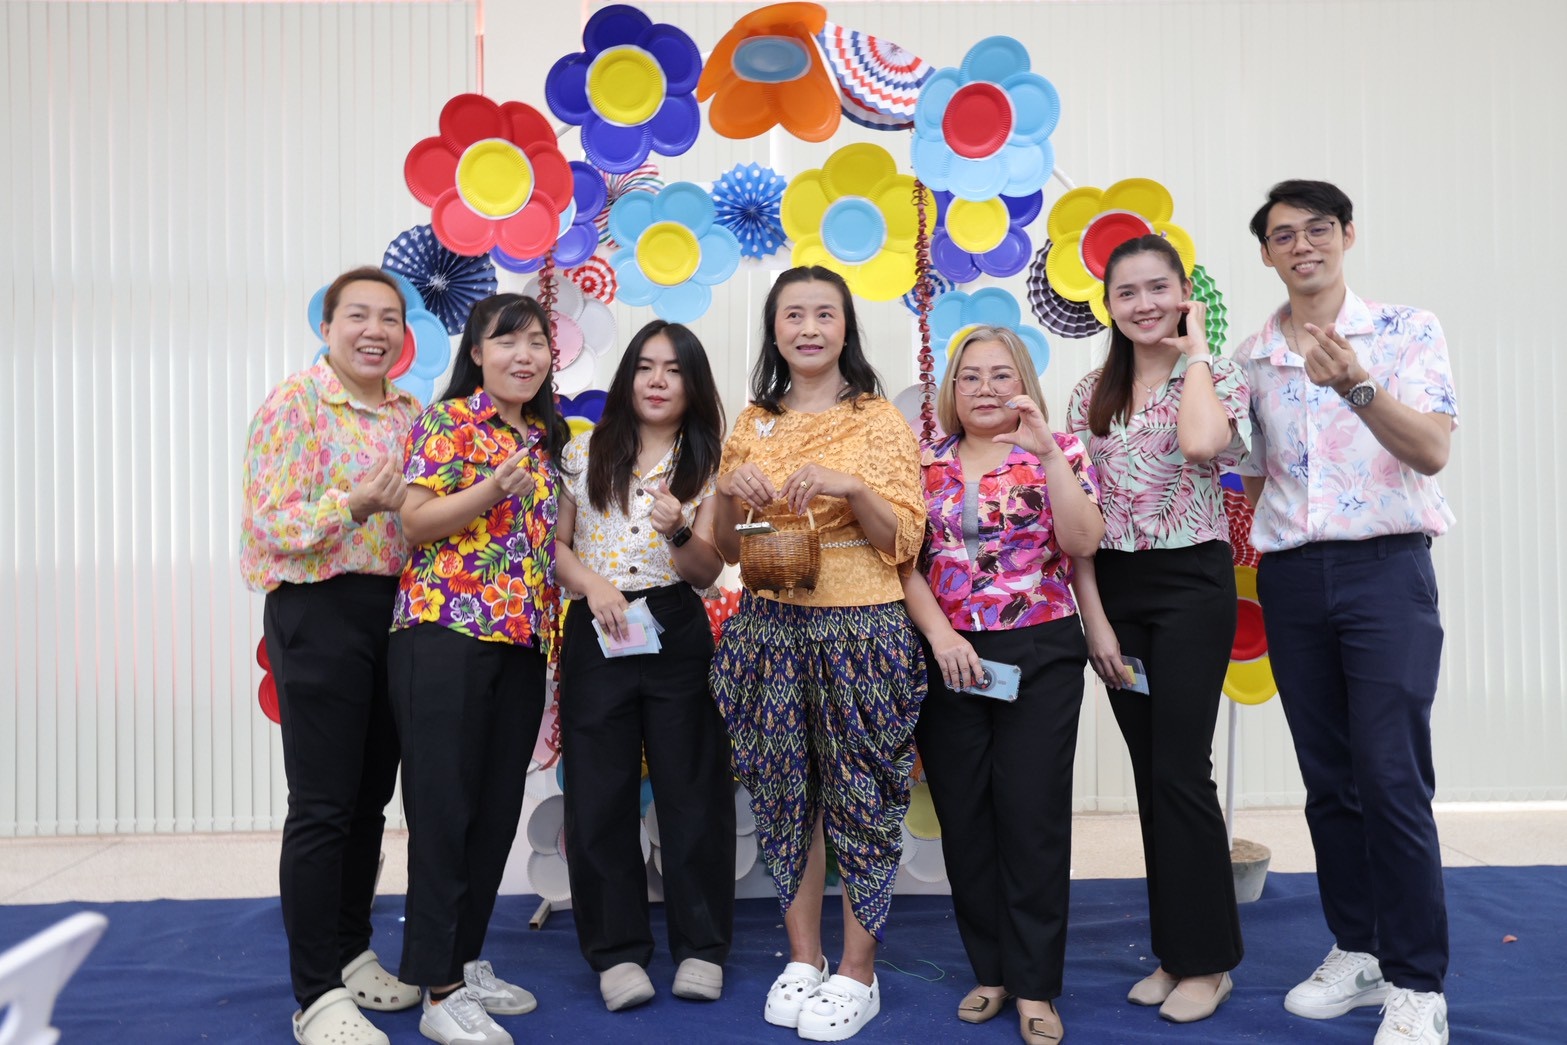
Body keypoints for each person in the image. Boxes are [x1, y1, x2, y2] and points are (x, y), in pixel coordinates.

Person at [1235, 180, 1457, 1045]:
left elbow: (1430, 451)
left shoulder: (1405, 330)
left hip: (1385, 571)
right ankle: (1358, 947)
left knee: (1390, 776)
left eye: (1317, 228)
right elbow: (1254, 476)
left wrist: (1357, 386)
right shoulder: (1253, 357)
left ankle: (1417, 982)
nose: (1302, 245)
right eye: (1283, 235)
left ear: (1347, 235)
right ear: (1265, 254)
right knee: (1328, 779)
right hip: (1291, 578)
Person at [708, 265, 926, 1042]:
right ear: (773, 329)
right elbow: (726, 549)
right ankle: (804, 957)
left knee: (860, 799)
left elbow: (904, 540)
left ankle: (858, 971)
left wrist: (851, 486)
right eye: (792, 314)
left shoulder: (877, 420)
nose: (807, 328)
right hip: (770, 626)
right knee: (782, 795)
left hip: (860, 628)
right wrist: (726, 492)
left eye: (823, 314)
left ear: (845, 328)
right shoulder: (751, 420)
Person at [1065, 234, 1251, 1024]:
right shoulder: (1088, 392)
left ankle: (1208, 963)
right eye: (1126, 292)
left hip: (1190, 584)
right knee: (1151, 774)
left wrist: (1196, 350)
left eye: (1157, 288)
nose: (1142, 304)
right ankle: (1175, 952)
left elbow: (1204, 444)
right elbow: (1076, 522)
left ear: (1183, 294)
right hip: (1116, 590)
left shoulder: (1216, 376)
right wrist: (1095, 622)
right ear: (1107, 305)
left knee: (1180, 768)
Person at [899, 326, 1103, 1045]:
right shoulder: (923, 463)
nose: (984, 389)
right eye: (970, 377)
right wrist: (941, 637)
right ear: (950, 390)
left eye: (999, 374)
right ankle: (990, 970)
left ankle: (1035, 984)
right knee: (966, 818)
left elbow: (1082, 543)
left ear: (1023, 383)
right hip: (950, 655)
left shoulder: (1060, 449)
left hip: (1039, 649)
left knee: (1031, 817)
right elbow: (904, 565)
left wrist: (1047, 454)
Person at [241, 265, 422, 1045]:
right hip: (317, 609)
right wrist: (353, 503)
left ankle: (351, 950)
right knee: (321, 804)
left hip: (395, 613)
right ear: (327, 326)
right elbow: (268, 523)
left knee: (370, 799)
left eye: (389, 318)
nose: (373, 330)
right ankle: (314, 992)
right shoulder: (296, 402)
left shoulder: (412, 413)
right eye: (357, 315)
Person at [388, 293, 568, 1045]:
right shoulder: (451, 421)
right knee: (443, 812)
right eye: (507, 341)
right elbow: (413, 520)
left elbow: (547, 547)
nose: (524, 355)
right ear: (477, 353)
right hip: (446, 634)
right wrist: (493, 487)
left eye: (537, 342)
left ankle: (463, 962)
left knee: (493, 813)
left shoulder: (544, 438)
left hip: (520, 643)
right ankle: (437, 991)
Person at [553, 319, 736, 1011]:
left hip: (674, 625)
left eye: (674, 370)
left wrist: (679, 528)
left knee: (693, 791)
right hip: (597, 623)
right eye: (646, 366)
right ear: (628, 375)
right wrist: (594, 586)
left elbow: (708, 570)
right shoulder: (581, 451)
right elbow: (556, 546)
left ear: (693, 384)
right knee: (598, 795)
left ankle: (701, 947)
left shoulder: (707, 462)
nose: (658, 381)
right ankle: (616, 952)